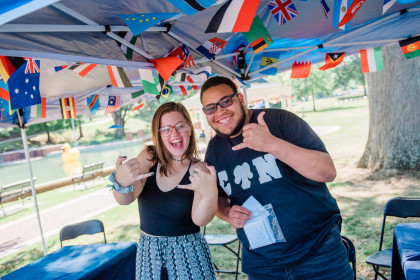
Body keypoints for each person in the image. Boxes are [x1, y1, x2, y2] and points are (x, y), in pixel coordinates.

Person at [200, 76, 354, 280]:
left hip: (318, 253)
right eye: (210, 108)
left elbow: (327, 171)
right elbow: (217, 198)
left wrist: (272, 144)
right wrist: (227, 213)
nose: (219, 111)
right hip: (262, 264)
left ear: (240, 99)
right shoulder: (215, 150)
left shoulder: (280, 121)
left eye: (226, 101)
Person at [108, 102, 218, 280]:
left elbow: (201, 219)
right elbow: (124, 199)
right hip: (149, 254)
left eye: (180, 126)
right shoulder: (148, 157)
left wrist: (210, 195)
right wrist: (121, 181)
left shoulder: (200, 168)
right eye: (166, 129)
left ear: (190, 129)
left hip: (188, 254)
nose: (174, 133)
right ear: (158, 135)